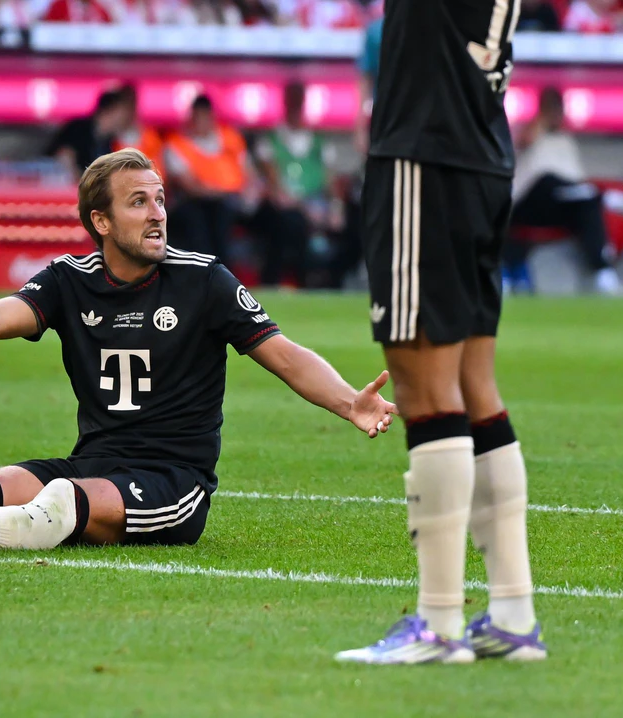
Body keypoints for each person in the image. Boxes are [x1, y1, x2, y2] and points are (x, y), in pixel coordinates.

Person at [0, 148, 398, 555]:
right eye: (139, 202)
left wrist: (349, 402)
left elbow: (284, 354)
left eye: (160, 200)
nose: (158, 215)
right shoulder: (68, 279)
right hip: (94, 460)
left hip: (172, 483)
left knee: (60, 502)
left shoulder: (203, 280)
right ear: (100, 222)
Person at [335, 0, 547, 665]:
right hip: (478, 149)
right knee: (473, 385)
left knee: (425, 388)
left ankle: (437, 625)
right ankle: (512, 613)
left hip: (423, 150)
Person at [505, 86, 623, 295]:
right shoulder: (525, 130)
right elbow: (525, 142)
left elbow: (575, 179)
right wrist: (542, 119)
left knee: (589, 204)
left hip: (561, 206)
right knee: (548, 179)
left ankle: (604, 276)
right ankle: (608, 197)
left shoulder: (565, 141)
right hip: (526, 205)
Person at [252, 81, 337, 287]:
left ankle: (327, 281)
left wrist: (335, 207)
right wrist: (298, 205)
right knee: (289, 222)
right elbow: (273, 183)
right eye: (292, 100)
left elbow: (330, 181)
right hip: (283, 207)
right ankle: (280, 280)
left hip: (315, 205)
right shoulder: (271, 139)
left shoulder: (319, 142)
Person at [164, 94, 251, 264]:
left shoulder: (231, 138)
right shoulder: (177, 145)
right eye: (198, 117)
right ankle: (205, 271)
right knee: (199, 221)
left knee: (226, 215)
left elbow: (249, 173)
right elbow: (190, 187)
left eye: (206, 117)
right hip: (194, 202)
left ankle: (225, 272)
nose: (202, 123)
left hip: (232, 202)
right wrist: (221, 192)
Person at [45, 89, 128, 181]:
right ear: (108, 111)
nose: (125, 119)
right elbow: (63, 155)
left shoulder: (110, 141)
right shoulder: (78, 129)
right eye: (122, 113)